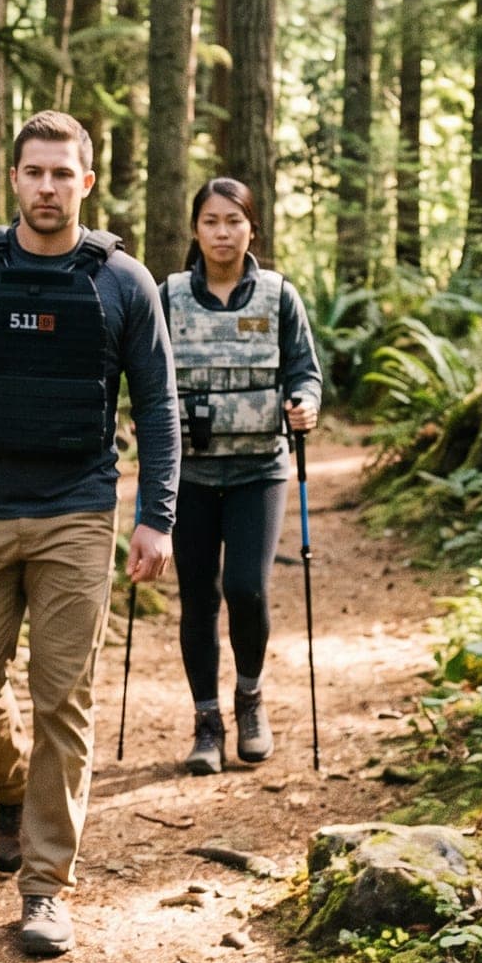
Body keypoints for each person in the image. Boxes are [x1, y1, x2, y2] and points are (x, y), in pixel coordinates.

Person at [0, 110, 179, 958]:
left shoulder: (123, 284)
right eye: (34, 172)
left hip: (78, 509)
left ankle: (46, 889)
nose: (46, 187)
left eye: (62, 174)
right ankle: (12, 784)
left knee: (63, 698)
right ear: (14, 178)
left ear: (86, 184)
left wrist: (155, 517)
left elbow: (161, 406)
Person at [162, 178, 323, 776]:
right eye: (211, 221)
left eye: (233, 220)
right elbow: (148, 372)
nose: (223, 232)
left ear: (252, 227)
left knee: (247, 591)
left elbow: (305, 371)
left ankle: (250, 698)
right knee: (197, 599)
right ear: (196, 229)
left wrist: (305, 402)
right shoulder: (170, 295)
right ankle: (207, 722)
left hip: (260, 469)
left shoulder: (279, 296)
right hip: (189, 473)